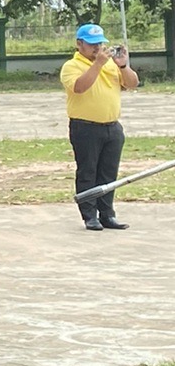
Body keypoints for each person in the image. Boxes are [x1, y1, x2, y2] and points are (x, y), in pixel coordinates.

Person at [62, 22, 138, 231]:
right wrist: (97, 65)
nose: (97, 49)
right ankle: (89, 216)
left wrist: (122, 65)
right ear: (79, 44)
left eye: (100, 44)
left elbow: (132, 84)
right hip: (85, 127)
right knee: (88, 172)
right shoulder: (71, 66)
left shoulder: (111, 63)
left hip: (112, 127)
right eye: (92, 44)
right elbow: (79, 87)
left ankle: (107, 214)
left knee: (108, 173)